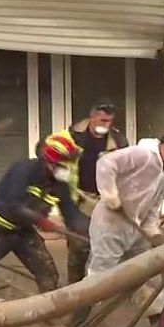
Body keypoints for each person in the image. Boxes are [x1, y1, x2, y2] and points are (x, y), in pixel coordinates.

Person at [78, 129, 164, 327]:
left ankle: (160, 322)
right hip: (111, 223)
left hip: (136, 228)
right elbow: (106, 163)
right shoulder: (142, 154)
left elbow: (152, 207)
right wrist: (110, 195)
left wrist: (154, 234)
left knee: (149, 272)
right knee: (100, 277)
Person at [0, 134, 82, 305]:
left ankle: (48, 313)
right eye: (65, 165)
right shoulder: (23, 169)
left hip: (23, 231)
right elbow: (13, 205)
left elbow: (70, 213)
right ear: (51, 162)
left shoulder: (60, 184)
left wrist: (79, 233)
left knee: (47, 271)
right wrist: (42, 221)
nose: (68, 171)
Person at [46, 100, 130, 286]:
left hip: (104, 199)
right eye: (102, 120)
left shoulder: (118, 141)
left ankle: (98, 285)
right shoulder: (72, 135)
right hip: (77, 198)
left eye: (109, 121)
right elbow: (44, 149)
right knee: (80, 243)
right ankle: (76, 287)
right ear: (91, 118)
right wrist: (57, 170)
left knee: (106, 242)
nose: (105, 125)